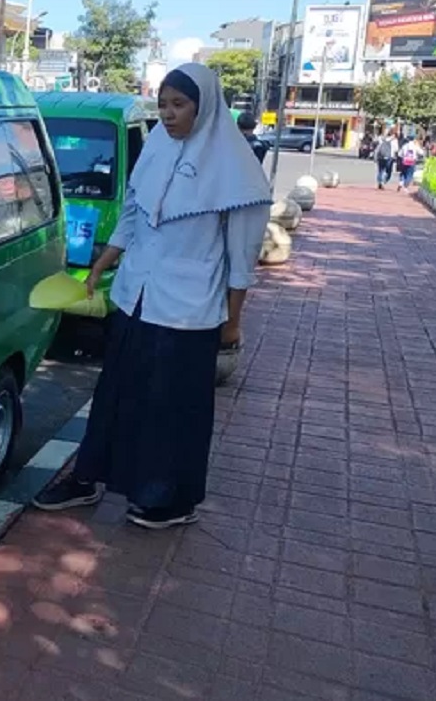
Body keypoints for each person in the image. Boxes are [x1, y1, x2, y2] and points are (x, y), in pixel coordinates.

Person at [32, 64, 272, 529]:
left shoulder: (237, 173)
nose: (168, 114)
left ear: (205, 107)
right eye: (163, 104)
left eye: (179, 105)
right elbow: (133, 213)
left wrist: (234, 322)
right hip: (135, 295)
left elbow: (241, 261)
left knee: (173, 406)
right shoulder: (157, 147)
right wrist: (103, 264)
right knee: (115, 393)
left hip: (189, 311)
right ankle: (88, 477)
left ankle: (168, 499)